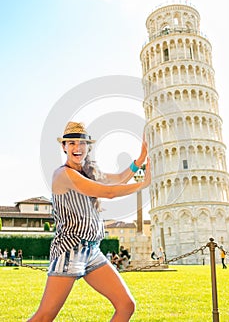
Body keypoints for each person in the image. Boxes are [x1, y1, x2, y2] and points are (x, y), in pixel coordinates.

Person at [27, 121, 151, 322]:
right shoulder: (63, 174)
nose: (77, 147)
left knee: (126, 305)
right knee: (44, 316)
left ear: (88, 147)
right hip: (70, 250)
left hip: (92, 251)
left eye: (82, 143)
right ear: (64, 147)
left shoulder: (90, 173)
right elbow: (108, 192)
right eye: (72, 143)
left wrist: (141, 157)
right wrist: (143, 184)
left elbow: (118, 178)